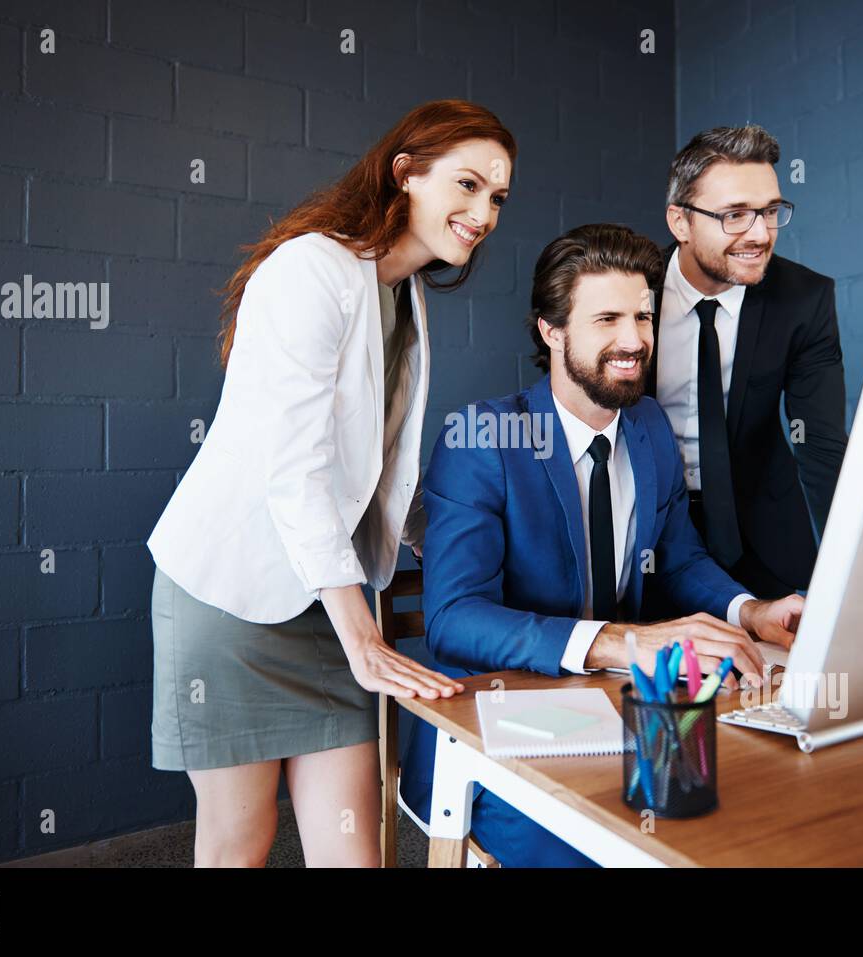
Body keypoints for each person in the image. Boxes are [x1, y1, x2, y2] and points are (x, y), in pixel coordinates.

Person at [145, 100, 516, 867]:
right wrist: (363, 636)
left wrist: (467, 542)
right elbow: (298, 467)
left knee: (356, 851)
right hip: (233, 595)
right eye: (469, 184)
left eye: (498, 198)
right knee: (238, 845)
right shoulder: (312, 268)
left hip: (333, 604)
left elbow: (377, 475)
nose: (483, 213)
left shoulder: (405, 297)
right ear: (404, 173)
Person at [400, 223, 804, 867]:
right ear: (551, 331)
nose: (632, 339)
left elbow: (679, 559)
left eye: (643, 316)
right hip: (501, 718)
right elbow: (455, 620)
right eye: (607, 318)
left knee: (743, 815)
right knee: (598, 852)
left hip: (626, 707)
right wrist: (620, 640)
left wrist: (750, 612)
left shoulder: (646, 425)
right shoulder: (483, 437)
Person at [646, 125, 848, 603]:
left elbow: (821, 446)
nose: (760, 234)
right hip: (646, 534)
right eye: (735, 215)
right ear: (680, 222)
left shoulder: (804, 299)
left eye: (771, 211)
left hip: (760, 539)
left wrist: (850, 566)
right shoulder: (631, 288)